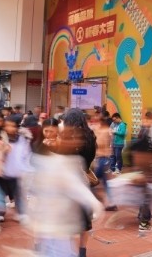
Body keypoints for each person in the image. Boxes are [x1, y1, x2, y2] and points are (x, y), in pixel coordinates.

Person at [29, 114, 103, 257]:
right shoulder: (50, 156)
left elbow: (75, 185)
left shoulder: (69, 160)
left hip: (60, 219)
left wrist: (94, 203)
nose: (75, 142)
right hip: (54, 218)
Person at [61, 108, 97, 257]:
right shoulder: (90, 135)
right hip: (84, 181)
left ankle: (68, 251)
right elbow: (91, 158)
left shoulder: (68, 137)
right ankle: (82, 252)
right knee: (85, 222)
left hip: (69, 182)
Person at [0, 116, 33, 223]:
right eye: (7, 125)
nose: (10, 128)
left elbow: (26, 154)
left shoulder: (22, 139)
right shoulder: (0, 138)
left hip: (16, 171)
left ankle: (21, 213)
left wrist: (24, 168)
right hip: (2, 171)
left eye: (12, 126)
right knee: (0, 194)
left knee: (18, 194)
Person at [91, 117, 117, 211]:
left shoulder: (102, 131)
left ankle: (97, 201)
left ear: (101, 122)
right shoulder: (108, 131)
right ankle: (111, 202)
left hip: (101, 159)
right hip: (107, 159)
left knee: (92, 181)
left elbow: (99, 144)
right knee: (106, 183)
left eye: (97, 121)